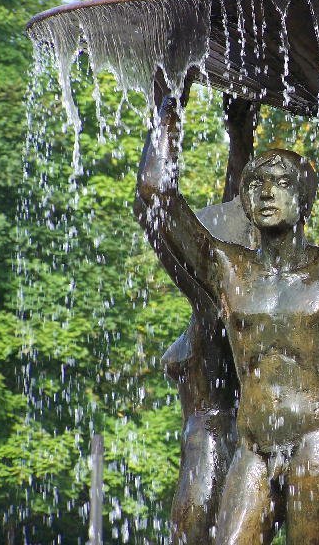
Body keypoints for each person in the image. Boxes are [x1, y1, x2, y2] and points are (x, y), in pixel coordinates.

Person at [136, 79, 319, 544]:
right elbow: (156, 194)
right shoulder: (228, 267)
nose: (267, 193)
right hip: (253, 446)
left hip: (317, 440)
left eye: (282, 182)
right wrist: (167, 101)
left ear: (304, 199)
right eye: (256, 183)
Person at [134, 93, 257, 545]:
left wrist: (167, 111)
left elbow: (151, 208)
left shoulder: (214, 308)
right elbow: (235, 220)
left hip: (212, 452)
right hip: (212, 447)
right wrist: (239, 138)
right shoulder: (215, 307)